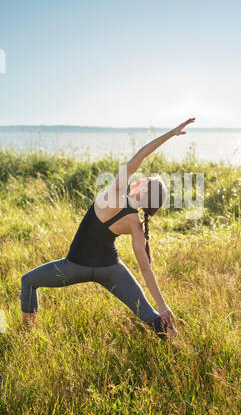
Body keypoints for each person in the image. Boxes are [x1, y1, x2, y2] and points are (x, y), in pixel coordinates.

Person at [21, 118, 195, 338]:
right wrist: (162, 305)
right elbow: (145, 270)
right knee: (150, 315)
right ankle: (176, 343)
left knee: (28, 281)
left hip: (74, 266)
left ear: (143, 191)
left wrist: (170, 133)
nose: (140, 178)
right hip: (111, 271)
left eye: (145, 180)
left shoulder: (114, 194)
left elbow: (139, 156)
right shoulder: (137, 225)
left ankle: (27, 337)